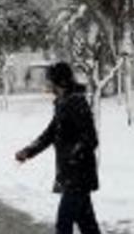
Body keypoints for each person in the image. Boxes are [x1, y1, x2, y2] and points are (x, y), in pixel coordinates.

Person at [14, 62, 101, 234]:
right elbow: (50, 134)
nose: (49, 85)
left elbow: (91, 138)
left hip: (78, 175)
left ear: (60, 82)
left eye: (51, 81)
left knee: (64, 225)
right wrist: (28, 151)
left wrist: (73, 155)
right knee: (87, 224)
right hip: (72, 175)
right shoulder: (63, 103)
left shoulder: (76, 102)